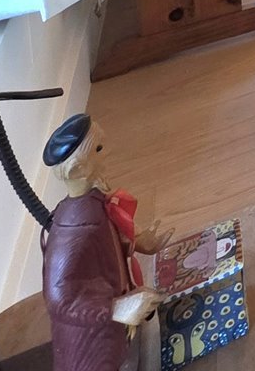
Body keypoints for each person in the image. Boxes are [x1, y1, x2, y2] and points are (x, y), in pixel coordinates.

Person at [41, 112, 165, 371]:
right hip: (91, 343)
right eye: (99, 149)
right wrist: (116, 308)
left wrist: (139, 241)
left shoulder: (93, 206)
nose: (107, 153)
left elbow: (107, 244)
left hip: (113, 325)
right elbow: (59, 297)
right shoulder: (70, 236)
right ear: (78, 169)